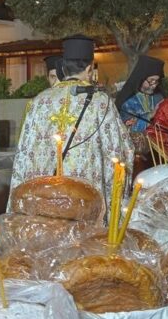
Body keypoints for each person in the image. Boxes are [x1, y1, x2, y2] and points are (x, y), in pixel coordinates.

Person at [12, 35, 133, 203]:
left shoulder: (39, 101)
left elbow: (24, 152)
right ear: (89, 69)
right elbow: (118, 150)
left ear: (63, 67)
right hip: (84, 196)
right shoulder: (100, 101)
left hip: (44, 195)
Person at [115, 55, 164, 134]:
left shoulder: (159, 97)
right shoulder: (127, 101)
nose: (154, 85)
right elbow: (127, 130)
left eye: (156, 81)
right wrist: (151, 114)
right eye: (151, 81)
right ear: (141, 78)